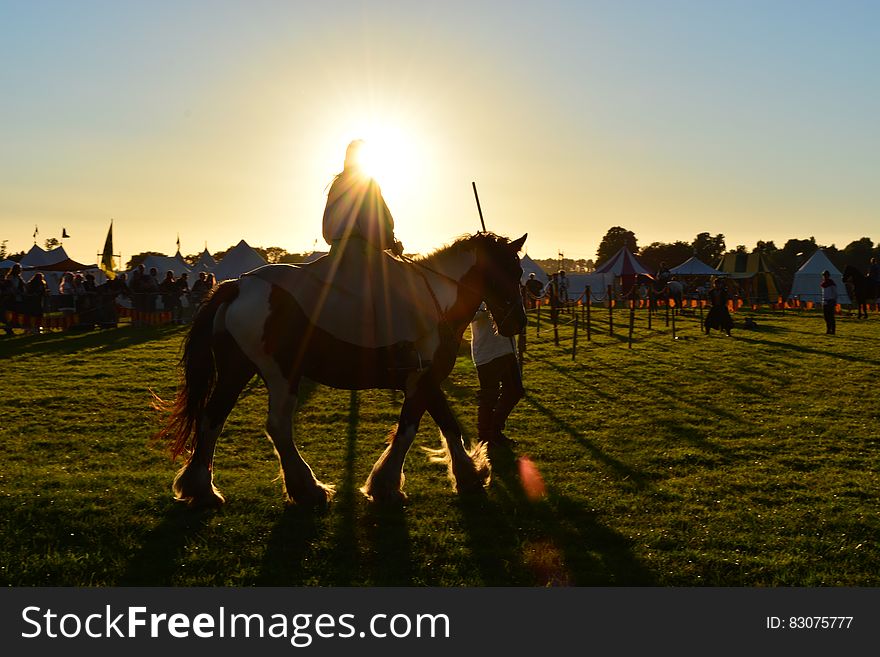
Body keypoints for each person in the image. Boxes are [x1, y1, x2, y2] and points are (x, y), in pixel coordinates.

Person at [323, 139, 403, 257]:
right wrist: (390, 241)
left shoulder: (336, 184)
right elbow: (371, 221)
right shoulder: (367, 183)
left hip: (335, 252)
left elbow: (327, 229)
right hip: (361, 252)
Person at [470, 303, 524, 447]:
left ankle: (494, 431)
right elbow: (471, 315)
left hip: (507, 350)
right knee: (488, 397)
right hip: (487, 352)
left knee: (515, 391)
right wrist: (488, 307)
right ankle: (485, 438)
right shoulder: (477, 294)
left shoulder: (505, 293)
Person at [820, 269, 838, 335]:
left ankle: (833, 330)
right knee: (826, 317)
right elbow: (823, 294)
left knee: (831, 317)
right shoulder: (823, 284)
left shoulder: (831, 283)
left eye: (826, 275)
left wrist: (835, 300)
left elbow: (835, 293)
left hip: (830, 301)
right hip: (825, 301)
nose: (825, 277)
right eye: (824, 275)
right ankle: (828, 329)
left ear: (828, 276)